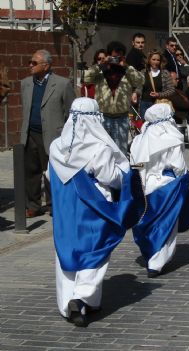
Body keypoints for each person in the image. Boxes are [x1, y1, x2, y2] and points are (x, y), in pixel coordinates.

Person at [49, 97, 143, 327]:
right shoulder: (98, 147)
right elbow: (109, 177)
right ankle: (81, 296)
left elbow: (50, 174)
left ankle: (69, 302)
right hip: (93, 205)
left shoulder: (55, 146)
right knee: (96, 249)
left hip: (65, 208)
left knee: (68, 251)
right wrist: (126, 177)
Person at [130, 103, 189, 278]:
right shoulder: (172, 138)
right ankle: (157, 261)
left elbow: (137, 164)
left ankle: (150, 251)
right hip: (167, 184)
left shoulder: (139, 140)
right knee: (167, 224)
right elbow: (178, 165)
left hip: (147, 185)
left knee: (150, 221)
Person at [20, 49, 76, 218]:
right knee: (30, 171)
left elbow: (71, 111)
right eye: (30, 62)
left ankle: (54, 205)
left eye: (34, 63)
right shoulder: (26, 83)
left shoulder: (62, 84)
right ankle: (33, 205)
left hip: (53, 136)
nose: (30, 65)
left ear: (46, 66)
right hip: (30, 134)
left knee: (52, 171)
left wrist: (67, 136)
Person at [84, 41, 145, 155]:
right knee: (102, 151)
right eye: (113, 56)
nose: (115, 59)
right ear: (108, 55)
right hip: (103, 117)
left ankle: (120, 172)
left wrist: (126, 66)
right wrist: (102, 65)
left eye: (119, 56)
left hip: (121, 117)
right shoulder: (101, 70)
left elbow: (140, 80)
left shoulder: (127, 70)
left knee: (120, 152)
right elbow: (86, 78)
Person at [139, 50, 175, 118]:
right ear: (149, 60)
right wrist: (135, 93)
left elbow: (171, 90)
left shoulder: (165, 73)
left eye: (158, 60)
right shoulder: (143, 72)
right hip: (144, 104)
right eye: (153, 59)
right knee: (145, 126)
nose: (156, 62)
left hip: (159, 104)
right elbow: (138, 87)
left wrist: (159, 94)